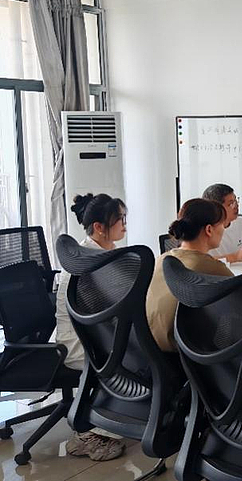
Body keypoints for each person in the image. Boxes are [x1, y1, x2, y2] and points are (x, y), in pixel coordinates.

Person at [57, 193, 127, 462]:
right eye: (120, 219)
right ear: (99, 227)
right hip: (80, 345)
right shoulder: (89, 261)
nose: (124, 224)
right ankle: (95, 431)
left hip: (92, 336)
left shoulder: (97, 253)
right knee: (140, 357)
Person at [146, 198, 233, 351]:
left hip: (149, 347)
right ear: (209, 230)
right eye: (222, 225)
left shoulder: (162, 259)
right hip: (183, 352)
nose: (224, 230)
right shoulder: (210, 267)